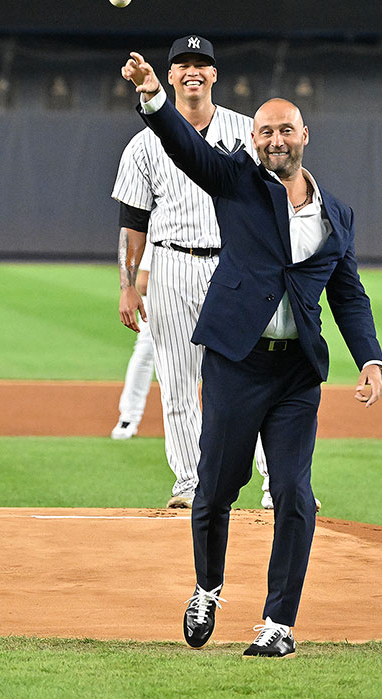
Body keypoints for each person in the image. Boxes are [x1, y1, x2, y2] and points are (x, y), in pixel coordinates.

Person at [121, 51, 382, 658]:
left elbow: (348, 293)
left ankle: (279, 624)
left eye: (284, 129)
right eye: (264, 131)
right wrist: (152, 95)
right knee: (214, 488)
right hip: (237, 363)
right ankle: (207, 588)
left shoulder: (336, 213)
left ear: (304, 137)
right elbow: (187, 149)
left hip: (296, 374)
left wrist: (370, 358)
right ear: (253, 139)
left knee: (294, 491)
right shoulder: (237, 184)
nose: (273, 140)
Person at [112, 35, 271, 509]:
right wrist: (126, 285)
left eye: (202, 64)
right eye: (183, 64)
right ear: (171, 75)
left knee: (255, 379)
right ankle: (189, 483)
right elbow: (133, 222)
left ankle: (274, 484)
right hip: (173, 266)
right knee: (178, 381)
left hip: (236, 265)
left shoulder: (249, 133)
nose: (192, 72)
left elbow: (275, 203)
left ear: (215, 74)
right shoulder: (144, 145)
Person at [111, 240, 155, 440]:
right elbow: (143, 283)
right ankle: (129, 416)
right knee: (145, 353)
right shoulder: (162, 221)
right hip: (159, 299)